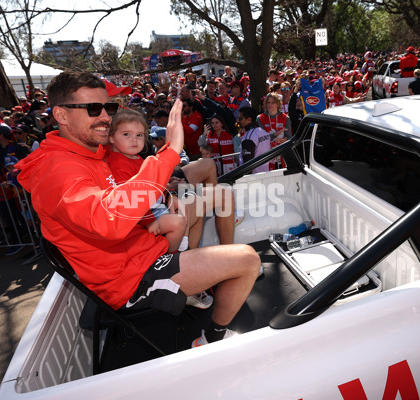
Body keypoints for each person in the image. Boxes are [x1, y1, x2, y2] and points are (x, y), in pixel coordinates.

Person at [15, 71, 260, 346]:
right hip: (130, 279)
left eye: (108, 107)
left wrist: (167, 191)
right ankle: (212, 338)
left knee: (198, 213)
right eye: (93, 109)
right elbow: (108, 219)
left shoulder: (85, 153)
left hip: (141, 252)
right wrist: (170, 151)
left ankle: (200, 283)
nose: (106, 117)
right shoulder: (57, 169)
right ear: (60, 115)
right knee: (247, 260)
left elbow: (125, 194)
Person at [106, 109, 188, 254]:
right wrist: (148, 221)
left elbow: (153, 182)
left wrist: (168, 195)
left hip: (154, 206)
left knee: (185, 208)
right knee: (178, 223)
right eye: (126, 134)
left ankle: (182, 245)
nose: (134, 139)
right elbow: (130, 200)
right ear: (111, 138)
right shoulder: (117, 164)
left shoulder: (136, 158)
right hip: (142, 216)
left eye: (139, 135)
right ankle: (167, 257)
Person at [257, 93, 292, 170]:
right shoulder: (260, 118)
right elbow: (262, 138)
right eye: (268, 102)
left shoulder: (286, 118)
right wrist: (276, 134)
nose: (270, 105)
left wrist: (284, 140)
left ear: (278, 104)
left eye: (273, 102)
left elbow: (289, 137)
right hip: (266, 154)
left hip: (281, 153)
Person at [238, 106, 271, 174]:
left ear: (249, 119)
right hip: (266, 174)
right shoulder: (264, 132)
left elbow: (247, 165)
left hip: (253, 178)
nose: (238, 121)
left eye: (240, 118)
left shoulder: (248, 137)